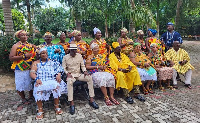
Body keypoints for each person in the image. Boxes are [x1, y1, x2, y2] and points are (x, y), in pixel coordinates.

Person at [30, 48, 67, 120]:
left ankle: (56, 106)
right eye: (43, 53)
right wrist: (36, 79)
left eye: (46, 53)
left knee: (56, 86)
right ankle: (40, 109)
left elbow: (59, 69)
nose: (45, 54)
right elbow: (32, 73)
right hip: (41, 80)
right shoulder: (36, 63)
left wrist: (58, 74)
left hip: (51, 79)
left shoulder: (53, 62)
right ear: (39, 55)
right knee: (38, 89)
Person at [62, 44, 99, 115]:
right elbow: (63, 68)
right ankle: (71, 103)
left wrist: (85, 71)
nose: (74, 51)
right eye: (72, 50)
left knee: (89, 78)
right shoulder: (65, 57)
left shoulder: (79, 56)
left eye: (75, 50)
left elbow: (82, 65)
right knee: (69, 81)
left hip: (79, 74)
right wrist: (67, 73)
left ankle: (91, 99)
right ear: (70, 50)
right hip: (71, 75)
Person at [9, 30, 36, 105]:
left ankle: (31, 96)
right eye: (22, 35)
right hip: (19, 68)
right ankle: (23, 98)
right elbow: (11, 57)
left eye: (26, 35)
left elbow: (35, 54)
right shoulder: (16, 46)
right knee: (20, 84)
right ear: (19, 37)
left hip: (30, 67)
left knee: (30, 83)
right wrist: (24, 56)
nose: (25, 36)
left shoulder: (30, 45)